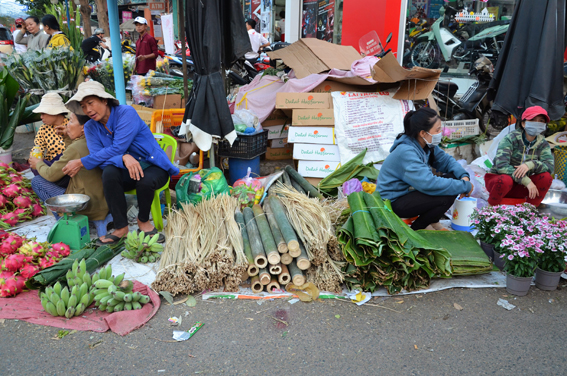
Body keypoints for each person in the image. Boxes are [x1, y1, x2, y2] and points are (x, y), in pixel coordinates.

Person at [63, 81, 180, 245]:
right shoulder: (90, 127)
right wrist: (124, 158)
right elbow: (99, 158)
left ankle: (143, 222)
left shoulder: (126, 113)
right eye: (83, 106)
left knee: (145, 181)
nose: (88, 110)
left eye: (90, 103)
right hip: (125, 170)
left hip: (152, 165)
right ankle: (121, 228)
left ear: (104, 100)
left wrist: (82, 161)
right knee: (109, 172)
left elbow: (118, 147)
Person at [377, 108, 473, 230]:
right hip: (393, 202)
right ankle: (418, 229)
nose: (440, 133)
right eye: (437, 130)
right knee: (446, 194)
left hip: (409, 194)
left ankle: (432, 221)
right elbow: (429, 184)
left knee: (453, 178)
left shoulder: (426, 144)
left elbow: (446, 161)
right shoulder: (406, 152)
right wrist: (465, 186)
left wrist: (464, 177)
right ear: (423, 133)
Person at [29, 113, 109, 221]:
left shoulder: (76, 147)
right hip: (103, 202)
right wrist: (67, 137)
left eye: (71, 121)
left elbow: (51, 174)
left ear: (83, 128)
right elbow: (71, 152)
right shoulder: (96, 139)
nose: (67, 126)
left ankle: (63, 220)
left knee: (37, 181)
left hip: (88, 206)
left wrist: (38, 163)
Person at [485, 106, 554, 206]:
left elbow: (549, 167)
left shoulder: (543, 144)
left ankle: (530, 211)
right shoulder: (510, 139)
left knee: (546, 177)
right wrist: (526, 181)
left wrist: (531, 165)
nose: (537, 123)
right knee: (504, 180)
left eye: (541, 121)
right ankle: (490, 210)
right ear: (523, 123)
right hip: (501, 183)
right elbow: (502, 166)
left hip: (521, 187)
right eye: (533, 120)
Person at [31, 93, 71, 187]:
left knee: (62, 157)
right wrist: (35, 158)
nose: (41, 117)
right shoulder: (43, 129)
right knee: (35, 164)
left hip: (67, 165)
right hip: (50, 167)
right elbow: (38, 147)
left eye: (44, 113)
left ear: (55, 112)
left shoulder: (71, 125)